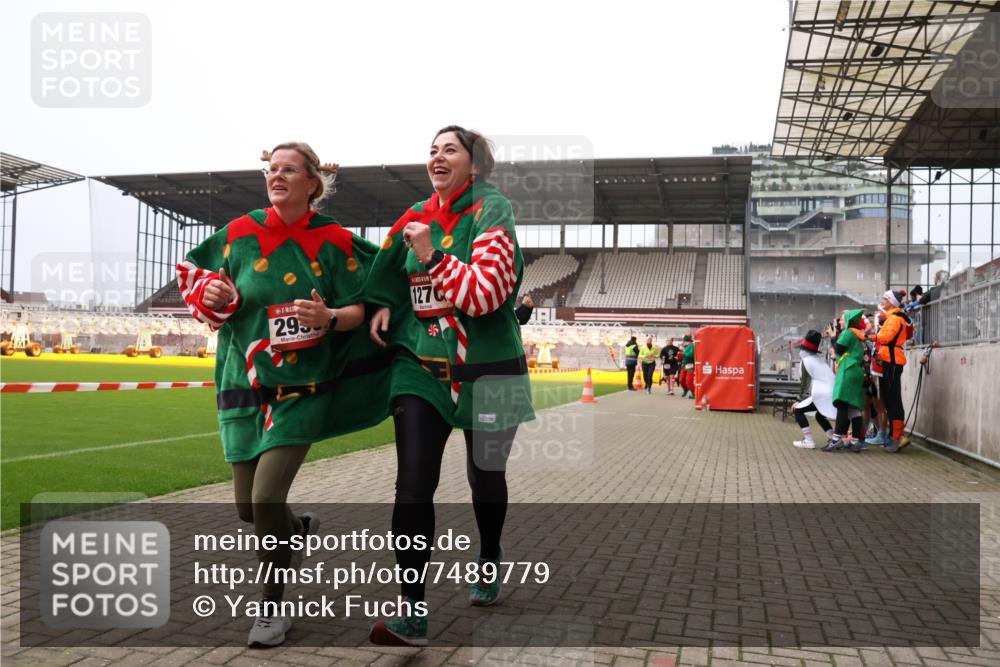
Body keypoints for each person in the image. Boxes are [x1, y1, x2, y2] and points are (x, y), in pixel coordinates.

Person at [176, 142, 388, 647]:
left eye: (289, 170)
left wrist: (330, 318)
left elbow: (370, 298)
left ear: (311, 183)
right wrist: (213, 292)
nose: (277, 176)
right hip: (242, 382)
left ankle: (272, 605)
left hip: (303, 388)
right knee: (249, 511)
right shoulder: (239, 232)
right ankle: (298, 529)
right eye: (272, 169)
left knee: (267, 496)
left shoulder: (334, 240)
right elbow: (193, 273)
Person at [364, 126, 534, 646]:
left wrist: (434, 256)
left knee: (486, 479)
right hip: (422, 367)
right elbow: (380, 274)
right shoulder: (413, 216)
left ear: (474, 166)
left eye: (450, 150)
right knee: (413, 484)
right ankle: (411, 610)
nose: (438, 157)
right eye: (432, 150)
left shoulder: (492, 211)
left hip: (491, 368)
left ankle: (488, 555)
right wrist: (382, 304)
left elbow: (483, 296)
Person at [872, 290, 913, 452]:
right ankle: (894, 435)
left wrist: (871, 336)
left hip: (892, 362)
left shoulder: (895, 319)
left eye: (885, 299)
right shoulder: (892, 318)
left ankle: (897, 436)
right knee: (889, 399)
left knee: (893, 399)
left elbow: (886, 337)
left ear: (892, 302)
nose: (882, 301)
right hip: (889, 361)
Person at [825, 309, 869, 452]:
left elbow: (839, 348)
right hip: (856, 370)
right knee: (854, 408)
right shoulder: (856, 334)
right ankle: (855, 441)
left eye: (842, 319)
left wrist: (832, 337)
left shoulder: (848, 332)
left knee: (842, 404)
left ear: (849, 321)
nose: (840, 322)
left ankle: (836, 438)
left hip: (848, 371)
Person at [791, 330, 836, 449]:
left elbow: (804, 384)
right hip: (831, 392)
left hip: (822, 394)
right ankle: (832, 438)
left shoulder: (806, 361)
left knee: (798, 410)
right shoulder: (818, 359)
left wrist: (798, 401)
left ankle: (808, 440)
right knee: (819, 415)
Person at [678, 334, 695, 399]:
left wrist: (683, 351)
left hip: (690, 365)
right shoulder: (685, 347)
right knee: (681, 380)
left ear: (687, 341)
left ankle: (694, 393)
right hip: (683, 365)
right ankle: (685, 389)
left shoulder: (691, 346)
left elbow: (690, 355)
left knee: (689, 380)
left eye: (684, 341)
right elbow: (683, 356)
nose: (683, 342)